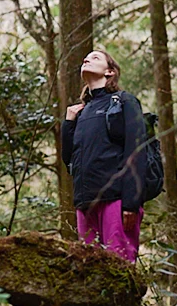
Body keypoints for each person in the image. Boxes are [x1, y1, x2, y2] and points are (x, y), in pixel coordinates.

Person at [61, 49, 146, 262]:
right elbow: (69, 159)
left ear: (110, 72)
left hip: (116, 200)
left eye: (95, 58)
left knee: (118, 266)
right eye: (85, 58)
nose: (86, 59)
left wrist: (131, 203)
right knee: (90, 272)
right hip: (86, 202)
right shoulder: (82, 112)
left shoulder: (124, 101)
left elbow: (136, 149)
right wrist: (69, 122)